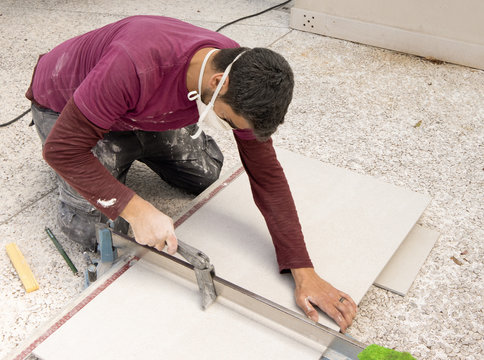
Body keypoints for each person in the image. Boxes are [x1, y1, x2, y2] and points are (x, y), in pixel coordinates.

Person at [26, 15, 357, 331]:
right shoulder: (133, 64)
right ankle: (121, 149)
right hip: (65, 104)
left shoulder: (239, 73)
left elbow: (266, 175)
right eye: (228, 120)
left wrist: (303, 269)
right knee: (94, 229)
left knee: (205, 173)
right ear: (218, 83)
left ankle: (133, 143)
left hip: (136, 106)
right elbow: (61, 150)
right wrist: (135, 208)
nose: (230, 127)